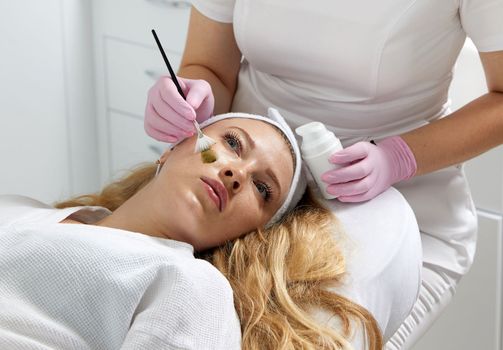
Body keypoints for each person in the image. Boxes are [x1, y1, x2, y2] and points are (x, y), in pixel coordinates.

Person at [143, 1, 503, 348]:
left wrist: (399, 157)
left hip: (390, 211)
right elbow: (209, 65)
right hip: (244, 205)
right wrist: (195, 97)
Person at [0, 110, 422, 349]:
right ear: (173, 147)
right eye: (233, 143)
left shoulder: (190, 289)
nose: (236, 172)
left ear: (247, 232)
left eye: (262, 189)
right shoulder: (18, 209)